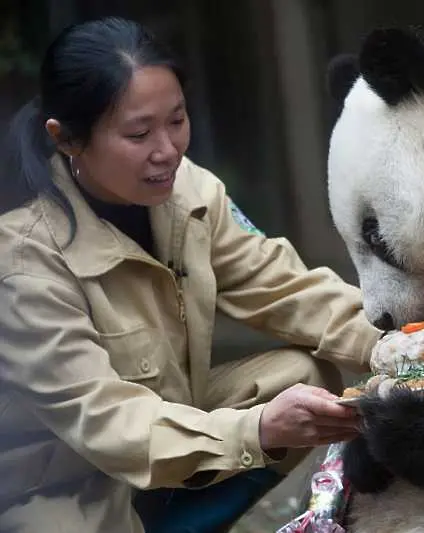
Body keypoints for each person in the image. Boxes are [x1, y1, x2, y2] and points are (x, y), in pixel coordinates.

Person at [0, 16, 384, 533]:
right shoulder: (22, 261)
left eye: (177, 120)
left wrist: (402, 347)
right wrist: (257, 430)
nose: (168, 150)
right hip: (66, 485)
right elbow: (107, 422)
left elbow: (285, 288)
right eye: (139, 133)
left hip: (173, 432)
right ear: (66, 138)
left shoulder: (192, 193)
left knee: (304, 377)